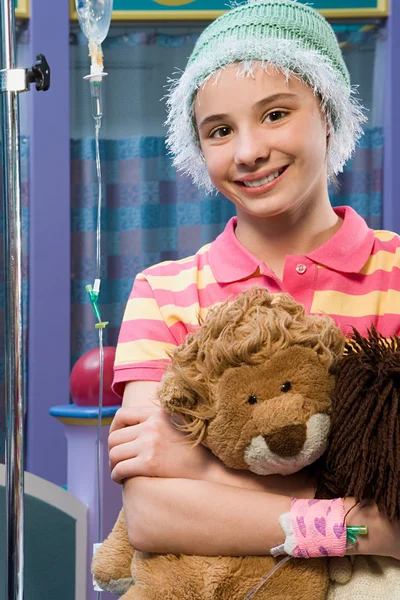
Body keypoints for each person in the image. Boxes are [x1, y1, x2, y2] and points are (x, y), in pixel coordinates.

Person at [108, 0, 400, 570]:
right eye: (219, 131)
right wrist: (369, 528)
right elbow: (151, 515)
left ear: (329, 114)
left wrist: (203, 470)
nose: (247, 152)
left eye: (274, 114)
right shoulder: (164, 292)